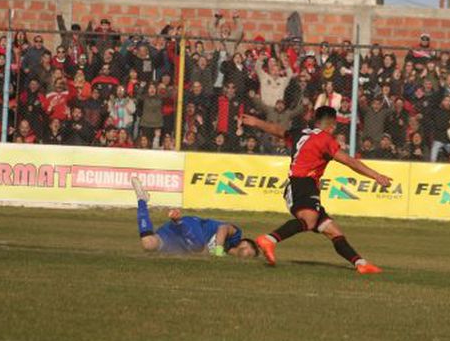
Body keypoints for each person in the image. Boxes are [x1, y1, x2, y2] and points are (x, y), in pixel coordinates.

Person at [241, 106, 391, 274]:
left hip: (298, 185)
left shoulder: (302, 132)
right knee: (309, 221)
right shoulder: (326, 139)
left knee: (333, 231)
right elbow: (350, 161)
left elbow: (277, 130)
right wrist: (377, 176)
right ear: (332, 125)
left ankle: (360, 264)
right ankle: (268, 239)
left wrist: (256, 122)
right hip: (303, 184)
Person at [132, 177, 258, 258]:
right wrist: (218, 249)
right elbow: (223, 228)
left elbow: (232, 253)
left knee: (148, 244)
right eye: (252, 249)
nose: (250, 253)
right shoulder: (236, 235)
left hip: (183, 241)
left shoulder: (228, 253)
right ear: (245, 242)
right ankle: (178, 221)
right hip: (193, 225)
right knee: (199, 246)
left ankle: (142, 199)